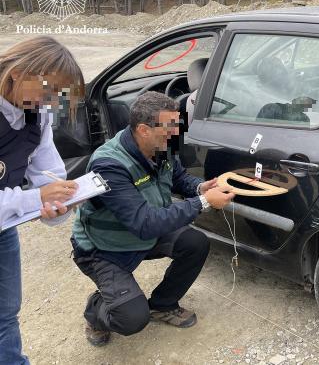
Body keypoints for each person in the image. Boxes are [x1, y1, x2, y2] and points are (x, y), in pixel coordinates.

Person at [70, 91, 235, 346]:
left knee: (195, 243)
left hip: (142, 233)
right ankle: (96, 309)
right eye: (170, 127)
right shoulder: (109, 165)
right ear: (144, 130)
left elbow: (178, 179)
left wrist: (201, 188)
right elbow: (144, 223)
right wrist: (204, 202)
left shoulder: (160, 146)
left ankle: (163, 305)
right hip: (104, 248)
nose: (176, 133)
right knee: (132, 319)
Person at [0, 36, 84, 365]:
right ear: (19, 73)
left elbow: (50, 177)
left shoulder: (39, 116)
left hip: (3, 229)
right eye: (48, 91)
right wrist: (35, 198)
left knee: (5, 314)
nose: (52, 103)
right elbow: (36, 193)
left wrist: (58, 207)